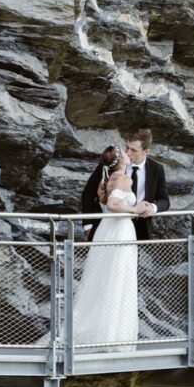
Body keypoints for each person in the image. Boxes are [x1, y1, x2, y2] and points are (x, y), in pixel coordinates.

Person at [73, 144, 140, 347]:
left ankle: (101, 332)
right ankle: (112, 337)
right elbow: (112, 205)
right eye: (125, 153)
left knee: (103, 278)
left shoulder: (107, 179)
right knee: (119, 279)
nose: (129, 155)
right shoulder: (124, 178)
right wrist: (136, 209)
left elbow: (105, 200)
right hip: (120, 230)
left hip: (106, 229)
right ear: (120, 161)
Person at [82, 127, 169, 241]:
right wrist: (87, 226)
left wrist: (152, 208)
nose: (128, 152)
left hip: (139, 228)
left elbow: (165, 201)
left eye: (133, 150)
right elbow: (88, 193)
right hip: (106, 228)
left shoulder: (156, 169)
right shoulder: (113, 163)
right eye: (127, 147)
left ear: (146, 151)